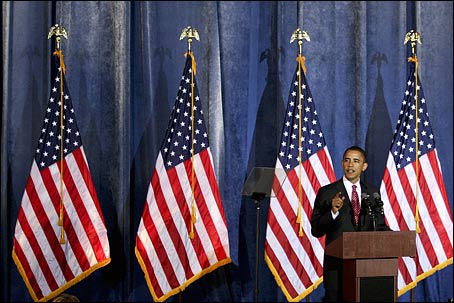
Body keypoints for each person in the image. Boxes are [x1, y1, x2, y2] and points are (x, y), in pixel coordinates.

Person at [310, 145, 390, 302]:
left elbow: (379, 226)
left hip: (366, 269)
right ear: (342, 164)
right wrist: (332, 211)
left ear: (364, 166)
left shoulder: (372, 192)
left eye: (355, 161)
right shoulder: (327, 192)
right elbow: (316, 230)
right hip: (337, 270)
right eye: (347, 160)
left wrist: (395, 238)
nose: (350, 165)